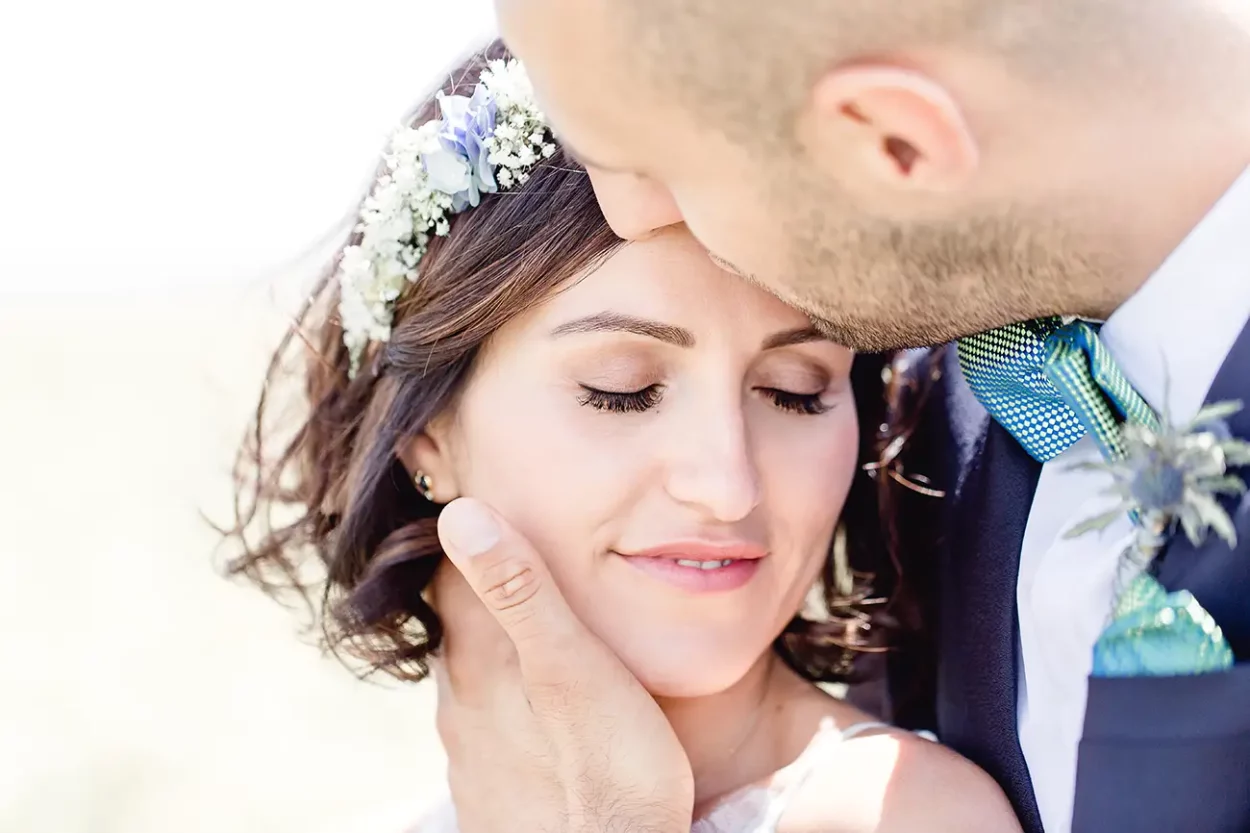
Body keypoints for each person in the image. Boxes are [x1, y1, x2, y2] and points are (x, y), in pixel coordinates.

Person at [422, 2, 1250, 832]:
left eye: (653, 159)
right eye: (619, 389)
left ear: (894, 141)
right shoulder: (932, 410)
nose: (632, 214)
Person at [224, 47, 1021, 833]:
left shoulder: (900, 814)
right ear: (424, 434)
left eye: (795, 391)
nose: (727, 482)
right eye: (622, 390)